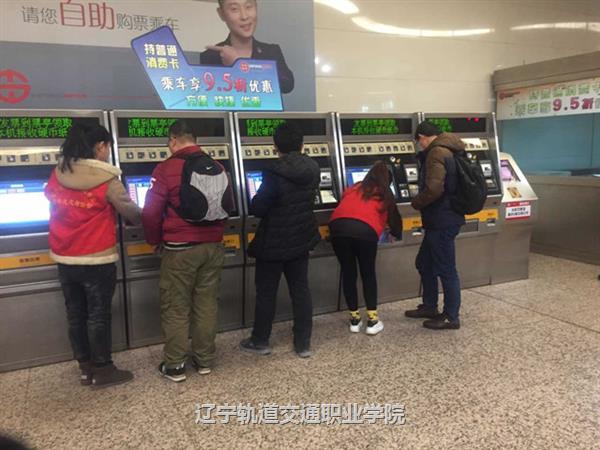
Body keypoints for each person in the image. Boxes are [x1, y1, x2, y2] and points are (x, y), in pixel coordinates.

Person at [45, 123, 141, 388]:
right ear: (100, 146)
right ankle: (103, 369)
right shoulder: (106, 179)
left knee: (75, 313)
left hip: (65, 255)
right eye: (107, 146)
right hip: (97, 257)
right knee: (98, 314)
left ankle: (85, 367)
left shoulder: (58, 173)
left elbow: (49, 197)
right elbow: (131, 212)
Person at [142, 120, 234, 383]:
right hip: (213, 246)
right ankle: (204, 360)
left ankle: (175, 365)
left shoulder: (165, 168)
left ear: (173, 140)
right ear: (195, 139)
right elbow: (228, 205)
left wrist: (153, 240)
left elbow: (150, 212)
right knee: (206, 303)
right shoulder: (218, 166)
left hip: (180, 249)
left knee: (176, 306)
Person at [239, 122, 320, 358]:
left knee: (266, 292)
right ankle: (303, 344)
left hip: (273, 242)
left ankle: (260, 340)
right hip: (301, 239)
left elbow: (258, 208)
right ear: (302, 145)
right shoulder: (313, 167)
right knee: (301, 291)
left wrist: (255, 199)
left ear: (275, 146)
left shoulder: (273, 172)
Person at [329, 161, 403, 335]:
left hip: (338, 228)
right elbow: (394, 219)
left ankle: (354, 320)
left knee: (348, 273)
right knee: (368, 274)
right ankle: (372, 321)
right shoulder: (385, 193)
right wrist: (395, 234)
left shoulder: (355, 187)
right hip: (364, 231)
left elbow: (346, 204)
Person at [405, 121, 466, 330]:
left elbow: (434, 188)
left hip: (442, 219)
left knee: (446, 269)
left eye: (419, 141)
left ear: (423, 137)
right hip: (443, 218)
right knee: (424, 263)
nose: (419, 145)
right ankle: (429, 306)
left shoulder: (436, 152)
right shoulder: (450, 149)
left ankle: (451, 316)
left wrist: (416, 202)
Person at [200, 0, 295, 94]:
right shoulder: (210, 56)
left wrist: (240, 65)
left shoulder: (271, 52)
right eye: (234, 9)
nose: (244, 16)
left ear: (256, 7)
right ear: (221, 14)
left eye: (248, 6)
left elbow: (287, 85)